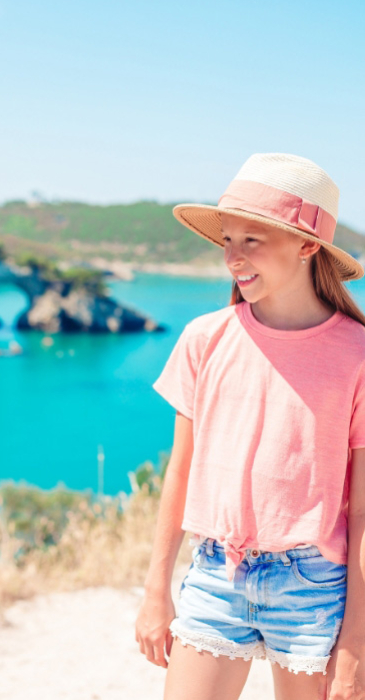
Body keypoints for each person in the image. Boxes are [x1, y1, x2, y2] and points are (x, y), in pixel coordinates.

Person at [135, 153, 365, 700]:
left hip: (315, 587)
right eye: (227, 242)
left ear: (309, 245)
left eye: (252, 241)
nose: (232, 259)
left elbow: (362, 510)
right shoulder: (204, 338)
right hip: (215, 574)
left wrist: (356, 639)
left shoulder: (358, 355)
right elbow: (180, 471)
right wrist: (155, 589)